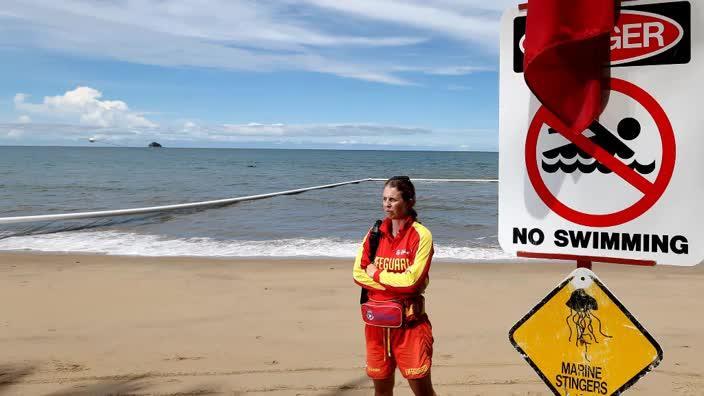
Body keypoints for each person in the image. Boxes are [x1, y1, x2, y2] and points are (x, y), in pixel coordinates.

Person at [353, 176, 436, 396]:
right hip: (376, 326)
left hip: (410, 327)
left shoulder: (421, 235)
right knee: (381, 392)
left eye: (393, 199)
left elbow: (412, 282)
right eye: (384, 199)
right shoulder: (374, 235)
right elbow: (358, 274)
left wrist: (377, 273)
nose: (387, 204)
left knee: (423, 392)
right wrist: (397, 283)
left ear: (410, 201)